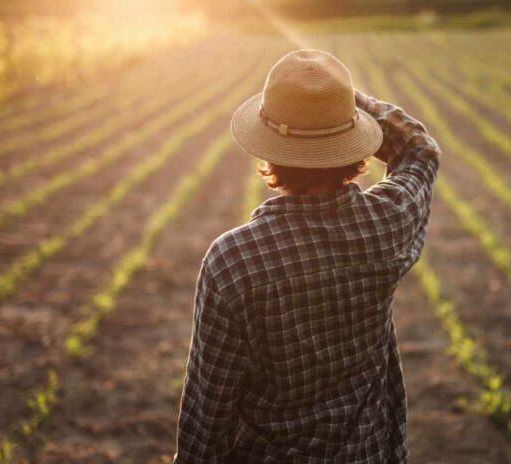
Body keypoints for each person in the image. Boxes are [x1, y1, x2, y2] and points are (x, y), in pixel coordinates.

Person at [173, 49, 441, 463]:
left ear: (268, 151)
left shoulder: (234, 262)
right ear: (356, 147)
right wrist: (346, 103)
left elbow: (207, 417)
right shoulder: (385, 224)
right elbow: (419, 150)